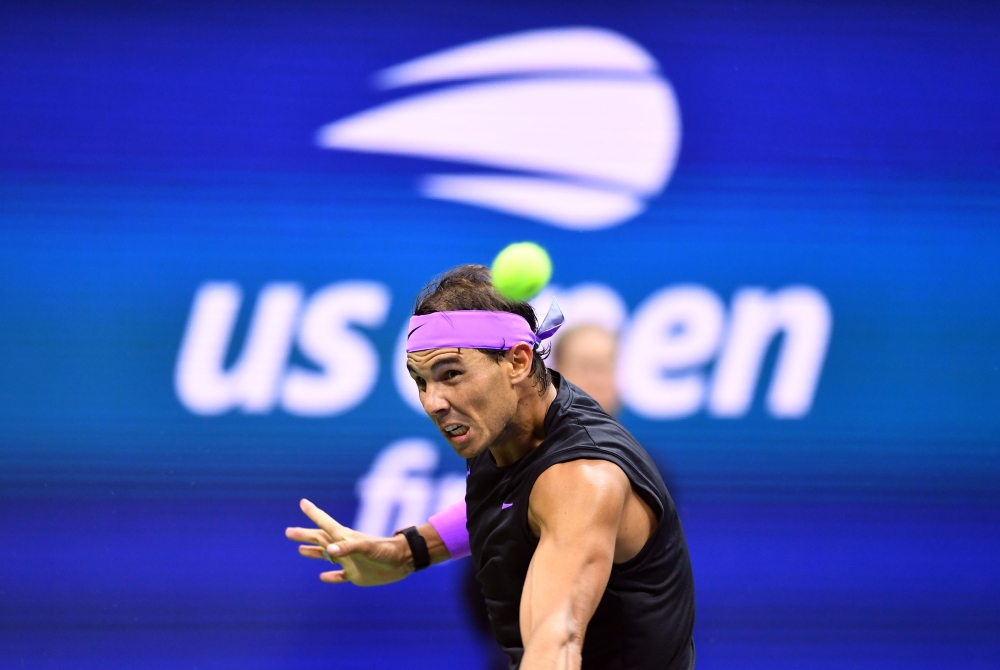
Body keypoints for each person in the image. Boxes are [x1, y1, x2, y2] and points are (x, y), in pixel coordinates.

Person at [286, 265, 696, 670]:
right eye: (421, 381)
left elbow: (558, 641)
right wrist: (408, 550)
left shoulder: (581, 478)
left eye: (451, 374)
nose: (432, 401)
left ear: (517, 362)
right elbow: (514, 500)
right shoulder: (510, 425)